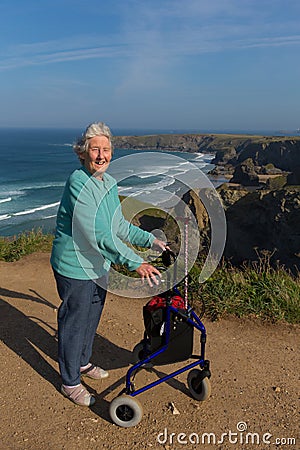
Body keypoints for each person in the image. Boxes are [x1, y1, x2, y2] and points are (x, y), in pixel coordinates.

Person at [50, 122, 167, 407]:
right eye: (94, 149)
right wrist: (133, 262)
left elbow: (118, 226)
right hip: (74, 265)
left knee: (91, 317)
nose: (101, 155)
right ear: (83, 153)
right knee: (74, 322)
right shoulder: (79, 182)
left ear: (112, 152)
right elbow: (97, 233)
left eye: (106, 149)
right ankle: (69, 381)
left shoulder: (109, 183)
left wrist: (150, 241)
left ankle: (81, 362)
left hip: (98, 266)